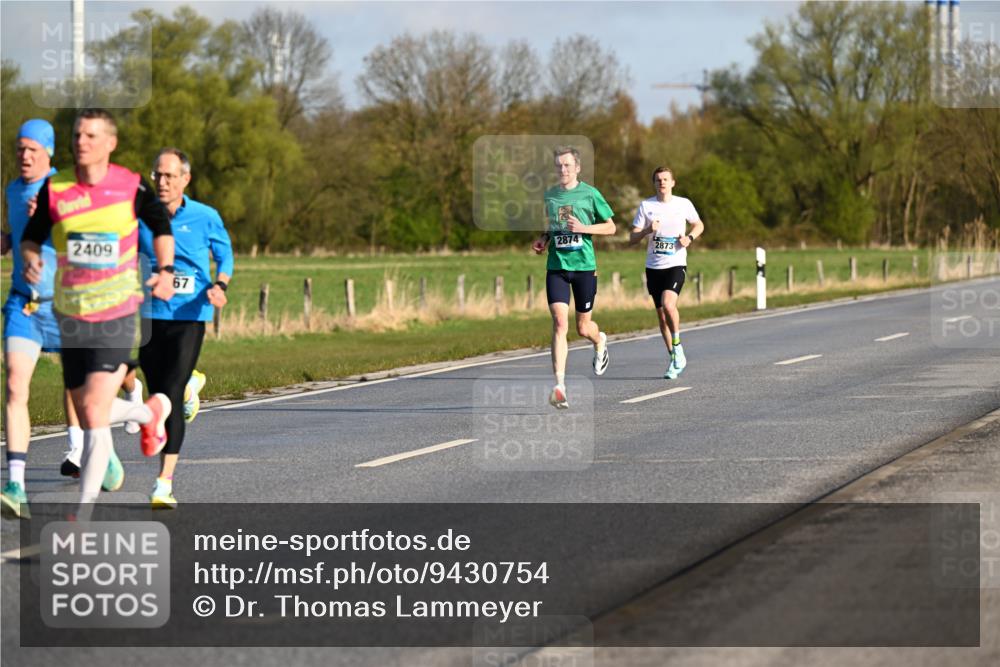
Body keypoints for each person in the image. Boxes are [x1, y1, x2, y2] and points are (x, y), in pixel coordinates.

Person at [19, 108, 176, 507]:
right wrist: (31, 258)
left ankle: (82, 516)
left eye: (91, 135)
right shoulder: (55, 189)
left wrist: (166, 270)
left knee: (92, 408)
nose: (81, 142)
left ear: (110, 143)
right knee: (91, 413)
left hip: (116, 312)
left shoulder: (130, 185)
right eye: (77, 135)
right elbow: (32, 237)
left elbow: (161, 226)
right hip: (71, 314)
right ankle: (148, 413)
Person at [0, 119, 94, 518]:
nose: (24, 156)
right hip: (24, 304)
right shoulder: (12, 190)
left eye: (32, 149)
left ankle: (96, 451)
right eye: (20, 148)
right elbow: (19, 232)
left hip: (66, 305)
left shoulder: (65, 189)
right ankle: (15, 484)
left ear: (49, 152)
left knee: (82, 394)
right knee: (15, 385)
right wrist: (6, 240)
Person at [135, 147, 233, 509]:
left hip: (190, 315)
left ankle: (164, 483)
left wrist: (219, 285)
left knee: (171, 395)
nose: (162, 182)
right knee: (158, 394)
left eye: (170, 176)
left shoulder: (205, 216)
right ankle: (190, 384)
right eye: (157, 175)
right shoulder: (140, 216)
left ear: (185, 179)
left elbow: (225, 255)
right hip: (150, 314)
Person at [531, 146, 615, 409]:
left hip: (584, 268)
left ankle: (599, 340)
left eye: (567, 165)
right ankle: (560, 386)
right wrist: (544, 239)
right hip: (557, 266)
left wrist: (583, 228)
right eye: (558, 165)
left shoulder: (590, 194)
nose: (562, 169)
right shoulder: (550, 195)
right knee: (559, 323)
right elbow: (553, 225)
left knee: (583, 328)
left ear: (577, 167)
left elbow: (611, 227)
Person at [630, 166, 704, 379]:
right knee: (662, 317)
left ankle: (677, 345)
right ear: (654, 184)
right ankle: (674, 358)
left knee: (669, 304)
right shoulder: (646, 206)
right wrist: (647, 230)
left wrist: (689, 238)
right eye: (658, 180)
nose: (662, 182)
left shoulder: (683, 204)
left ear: (673, 183)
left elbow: (699, 225)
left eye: (665, 179)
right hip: (654, 266)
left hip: (676, 263)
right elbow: (632, 238)